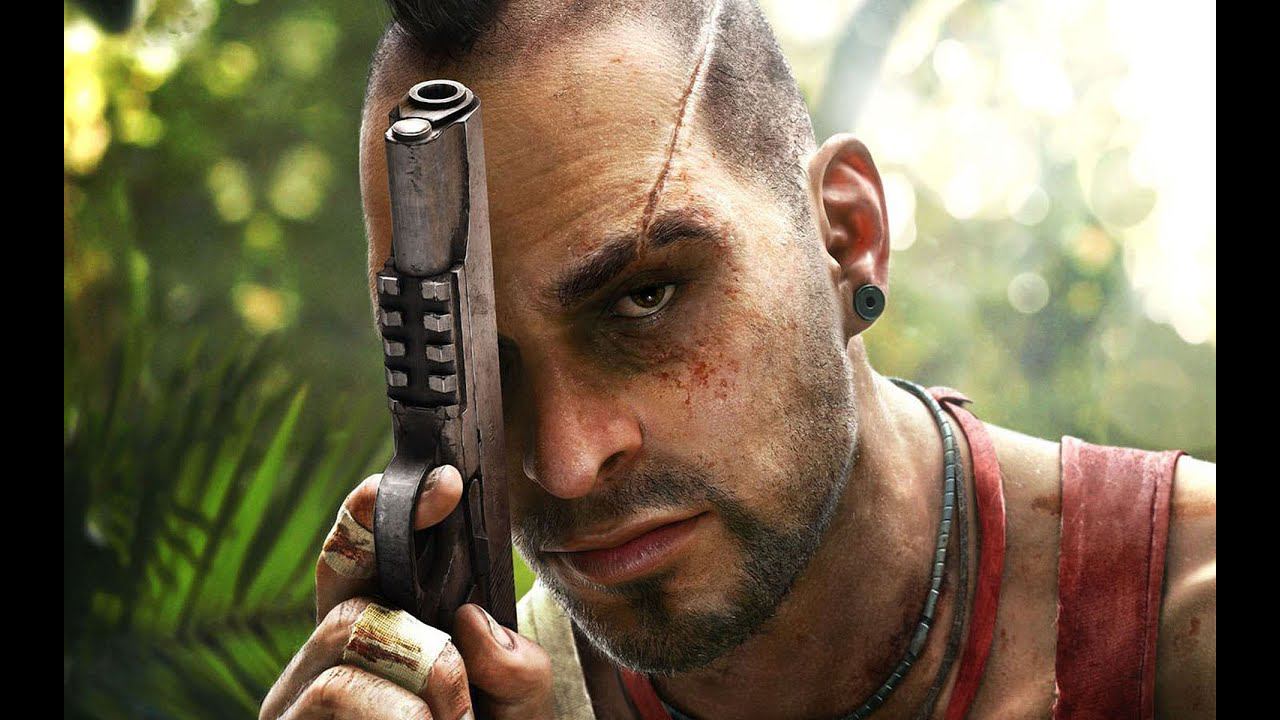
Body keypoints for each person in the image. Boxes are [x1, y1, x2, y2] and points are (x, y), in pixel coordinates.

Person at [260, 1, 1216, 718]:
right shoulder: (480, 697)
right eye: (470, 366)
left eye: (644, 299)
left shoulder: (1185, 625)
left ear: (846, 237)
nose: (566, 460)